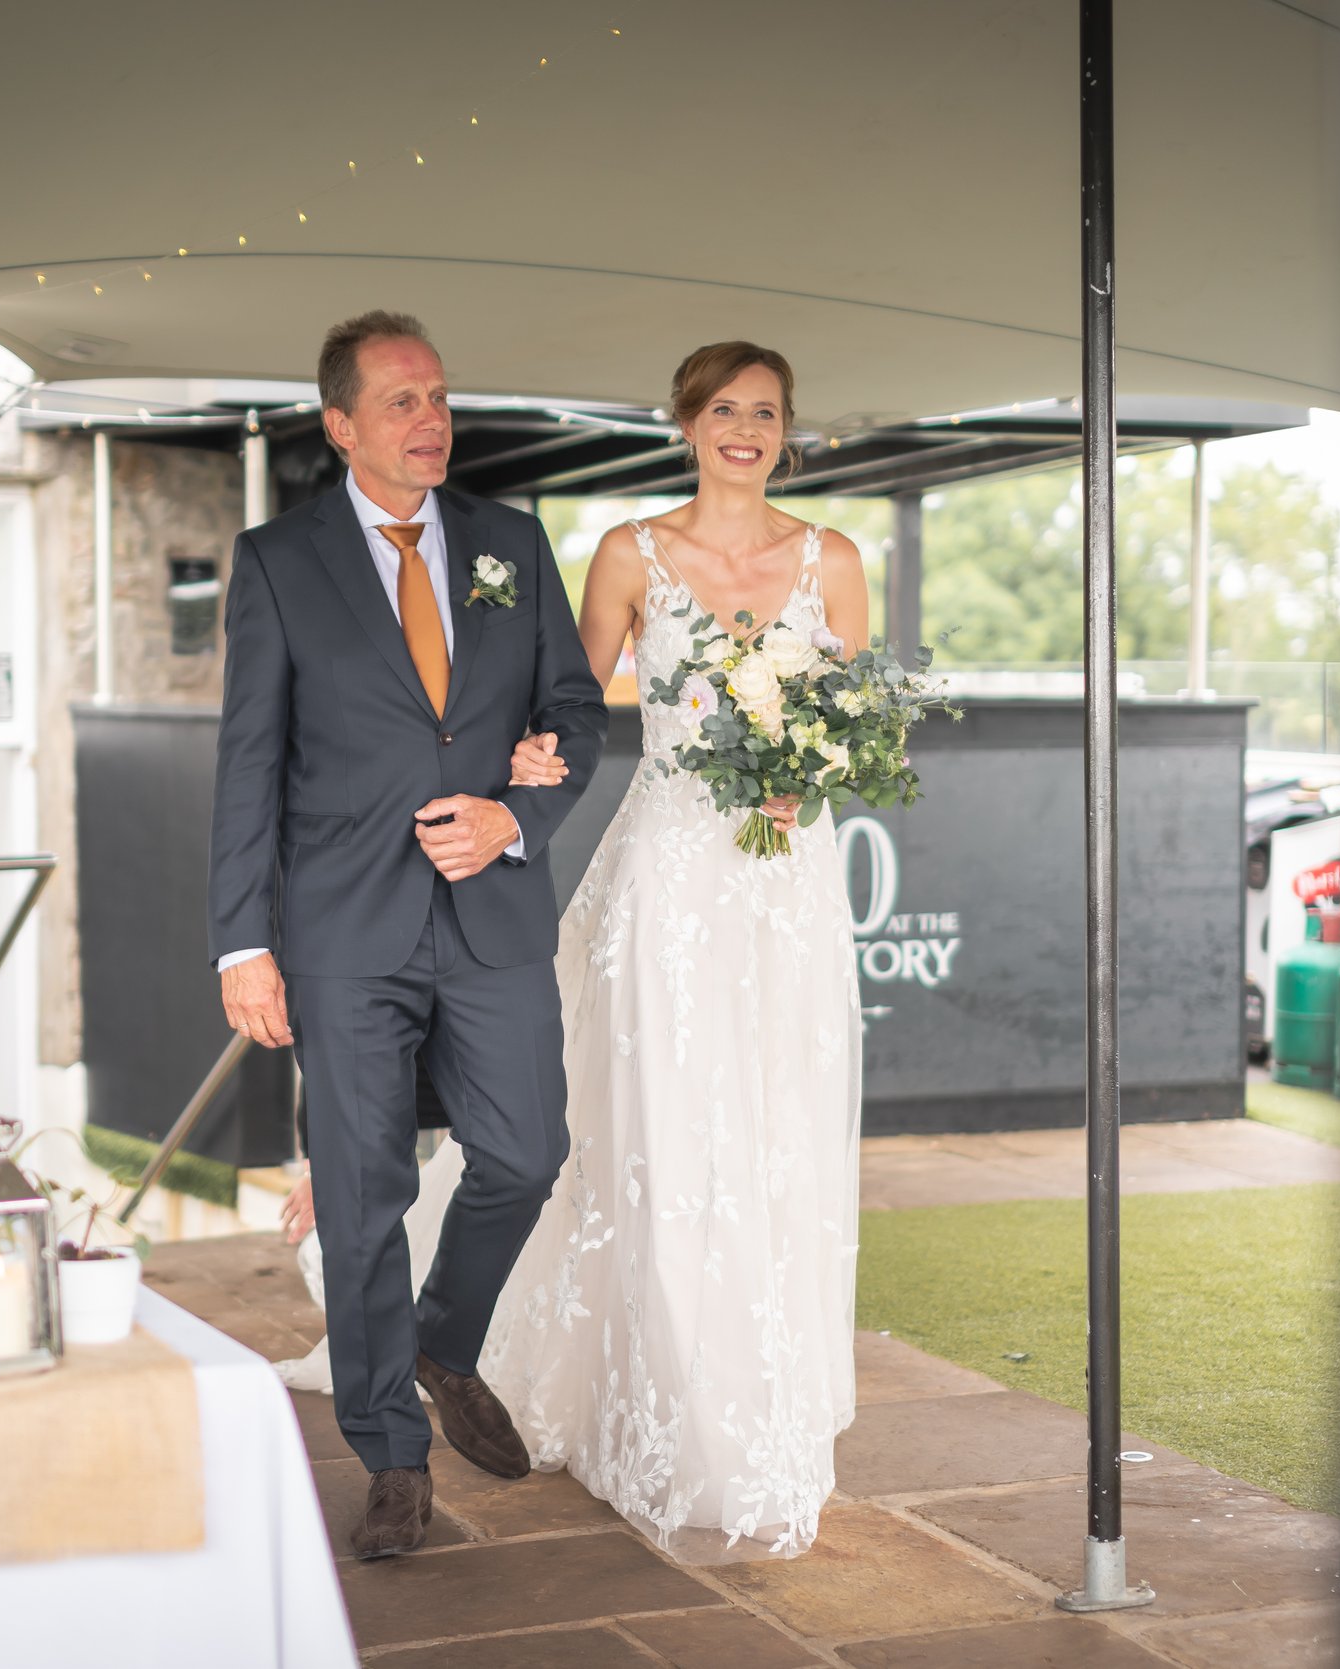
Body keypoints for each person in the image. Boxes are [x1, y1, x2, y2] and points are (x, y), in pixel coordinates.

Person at [281, 342, 869, 1561]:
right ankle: (643, 1400)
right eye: (722, 410)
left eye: (764, 412)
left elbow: (849, 726)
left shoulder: (837, 562)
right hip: (667, 873)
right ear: (686, 425)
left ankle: (760, 1409)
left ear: (786, 428)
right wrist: (514, 774)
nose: (744, 430)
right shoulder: (624, 555)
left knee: (774, 1129)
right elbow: (559, 697)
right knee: (645, 1128)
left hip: (786, 882)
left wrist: (803, 780)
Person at [210, 310, 608, 1560]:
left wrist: (517, 813)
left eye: (438, 397)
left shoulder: (511, 543)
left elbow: (574, 712)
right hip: (340, 928)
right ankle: (389, 1447)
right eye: (400, 402)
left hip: (489, 913)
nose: (430, 419)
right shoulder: (277, 561)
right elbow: (248, 764)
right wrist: (241, 944)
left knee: (527, 1150)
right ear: (339, 426)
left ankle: (444, 1335)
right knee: (365, 1194)